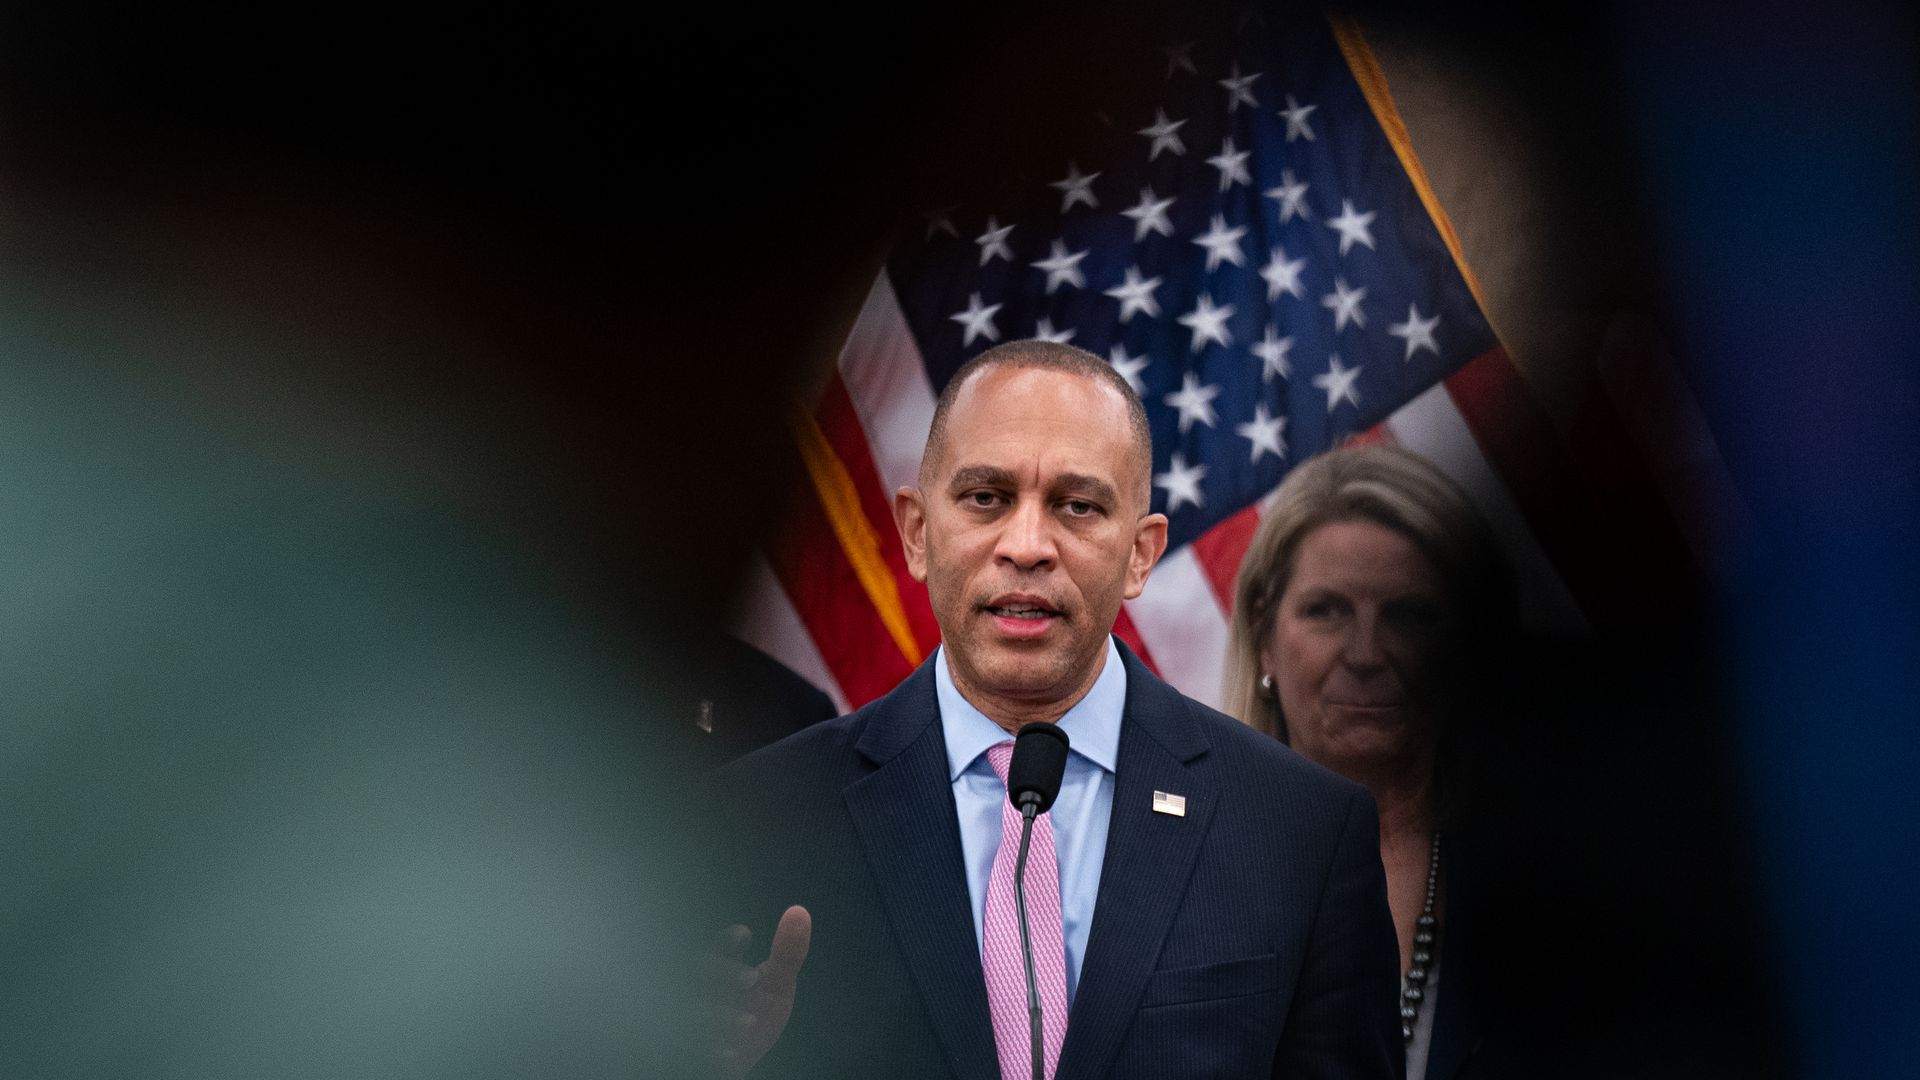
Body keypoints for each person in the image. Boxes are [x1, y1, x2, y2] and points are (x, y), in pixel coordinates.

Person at [711, 341, 1401, 1079]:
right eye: (987, 498)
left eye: (1078, 506)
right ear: (916, 533)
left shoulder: (1301, 833)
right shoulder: (752, 820)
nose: (1029, 546)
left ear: (1141, 553)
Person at [1221, 443, 1512, 1080]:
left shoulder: (1550, 881)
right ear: (1266, 638)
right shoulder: (1174, 869)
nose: (1366, 653)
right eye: (1326, 611)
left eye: (1409, 616)